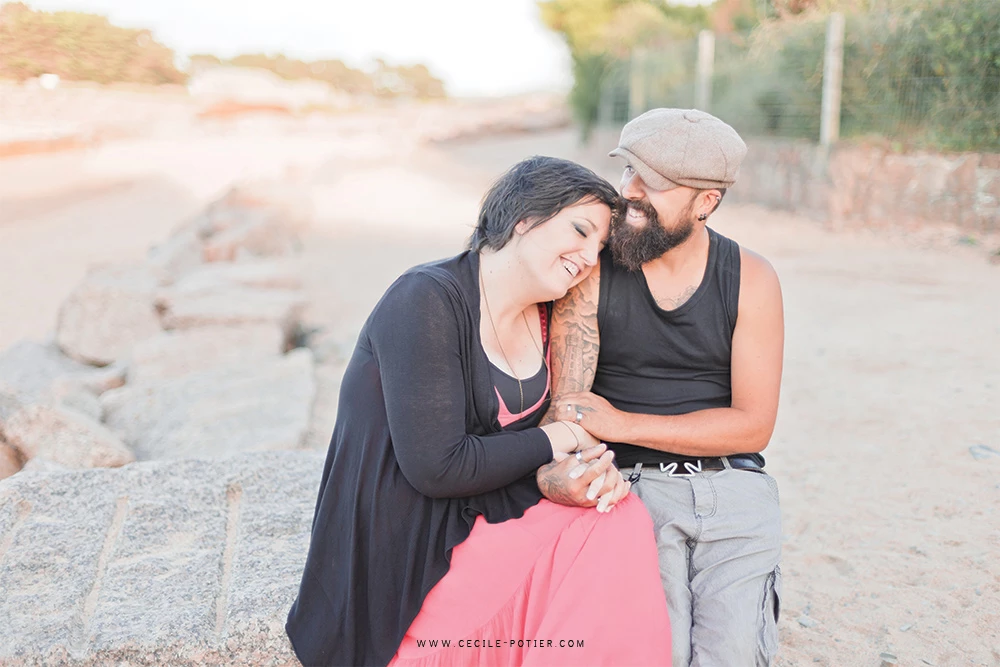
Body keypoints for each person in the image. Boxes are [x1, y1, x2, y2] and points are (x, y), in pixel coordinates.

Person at [285, 156, 672, 667]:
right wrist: (564, 438)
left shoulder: (549, 315)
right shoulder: (424, 298)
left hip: (479, 524)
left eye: (598, 247)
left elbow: (527, 450)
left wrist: (590, 473)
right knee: (604, 534)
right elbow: (437, 466)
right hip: (407, 554)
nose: (588, 257)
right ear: (525, 218)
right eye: (579, 231)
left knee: (613, 514)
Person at [543, 109, 785, 666]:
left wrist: (623, 423)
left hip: (734, 489)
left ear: (707, 201)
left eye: (652, 182)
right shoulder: (595, 270)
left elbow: (753, 424)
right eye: (628, 171)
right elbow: (568, 411)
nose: (629, 192)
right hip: (627, 490)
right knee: (658, 651)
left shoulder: (753, 278)